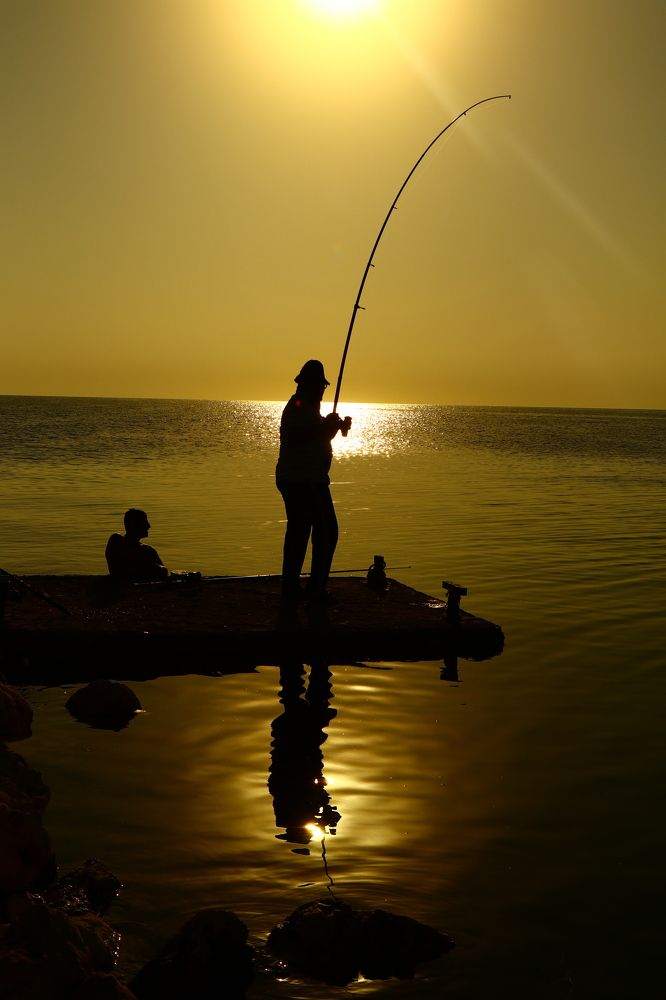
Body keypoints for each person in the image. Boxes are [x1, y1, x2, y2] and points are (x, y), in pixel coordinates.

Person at [275, 360, 351, 601]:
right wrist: (325, 427)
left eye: (323, 386)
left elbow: (317, 437)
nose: (322, 390)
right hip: (304, 481)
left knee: (302, 530)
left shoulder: (309, 408)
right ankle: (312, 589)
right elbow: (299, 437)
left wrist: (334, 427)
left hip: (305, 479)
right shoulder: (298, 405)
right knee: (326, 531)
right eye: (320, 385)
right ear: (309, 384)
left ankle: (294, 586)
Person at [105, 508, 169, 582]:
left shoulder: (148, 550)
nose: (149, 526)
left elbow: (163, 571)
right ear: (134, 524)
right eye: (145, 522)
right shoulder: (116, 540)